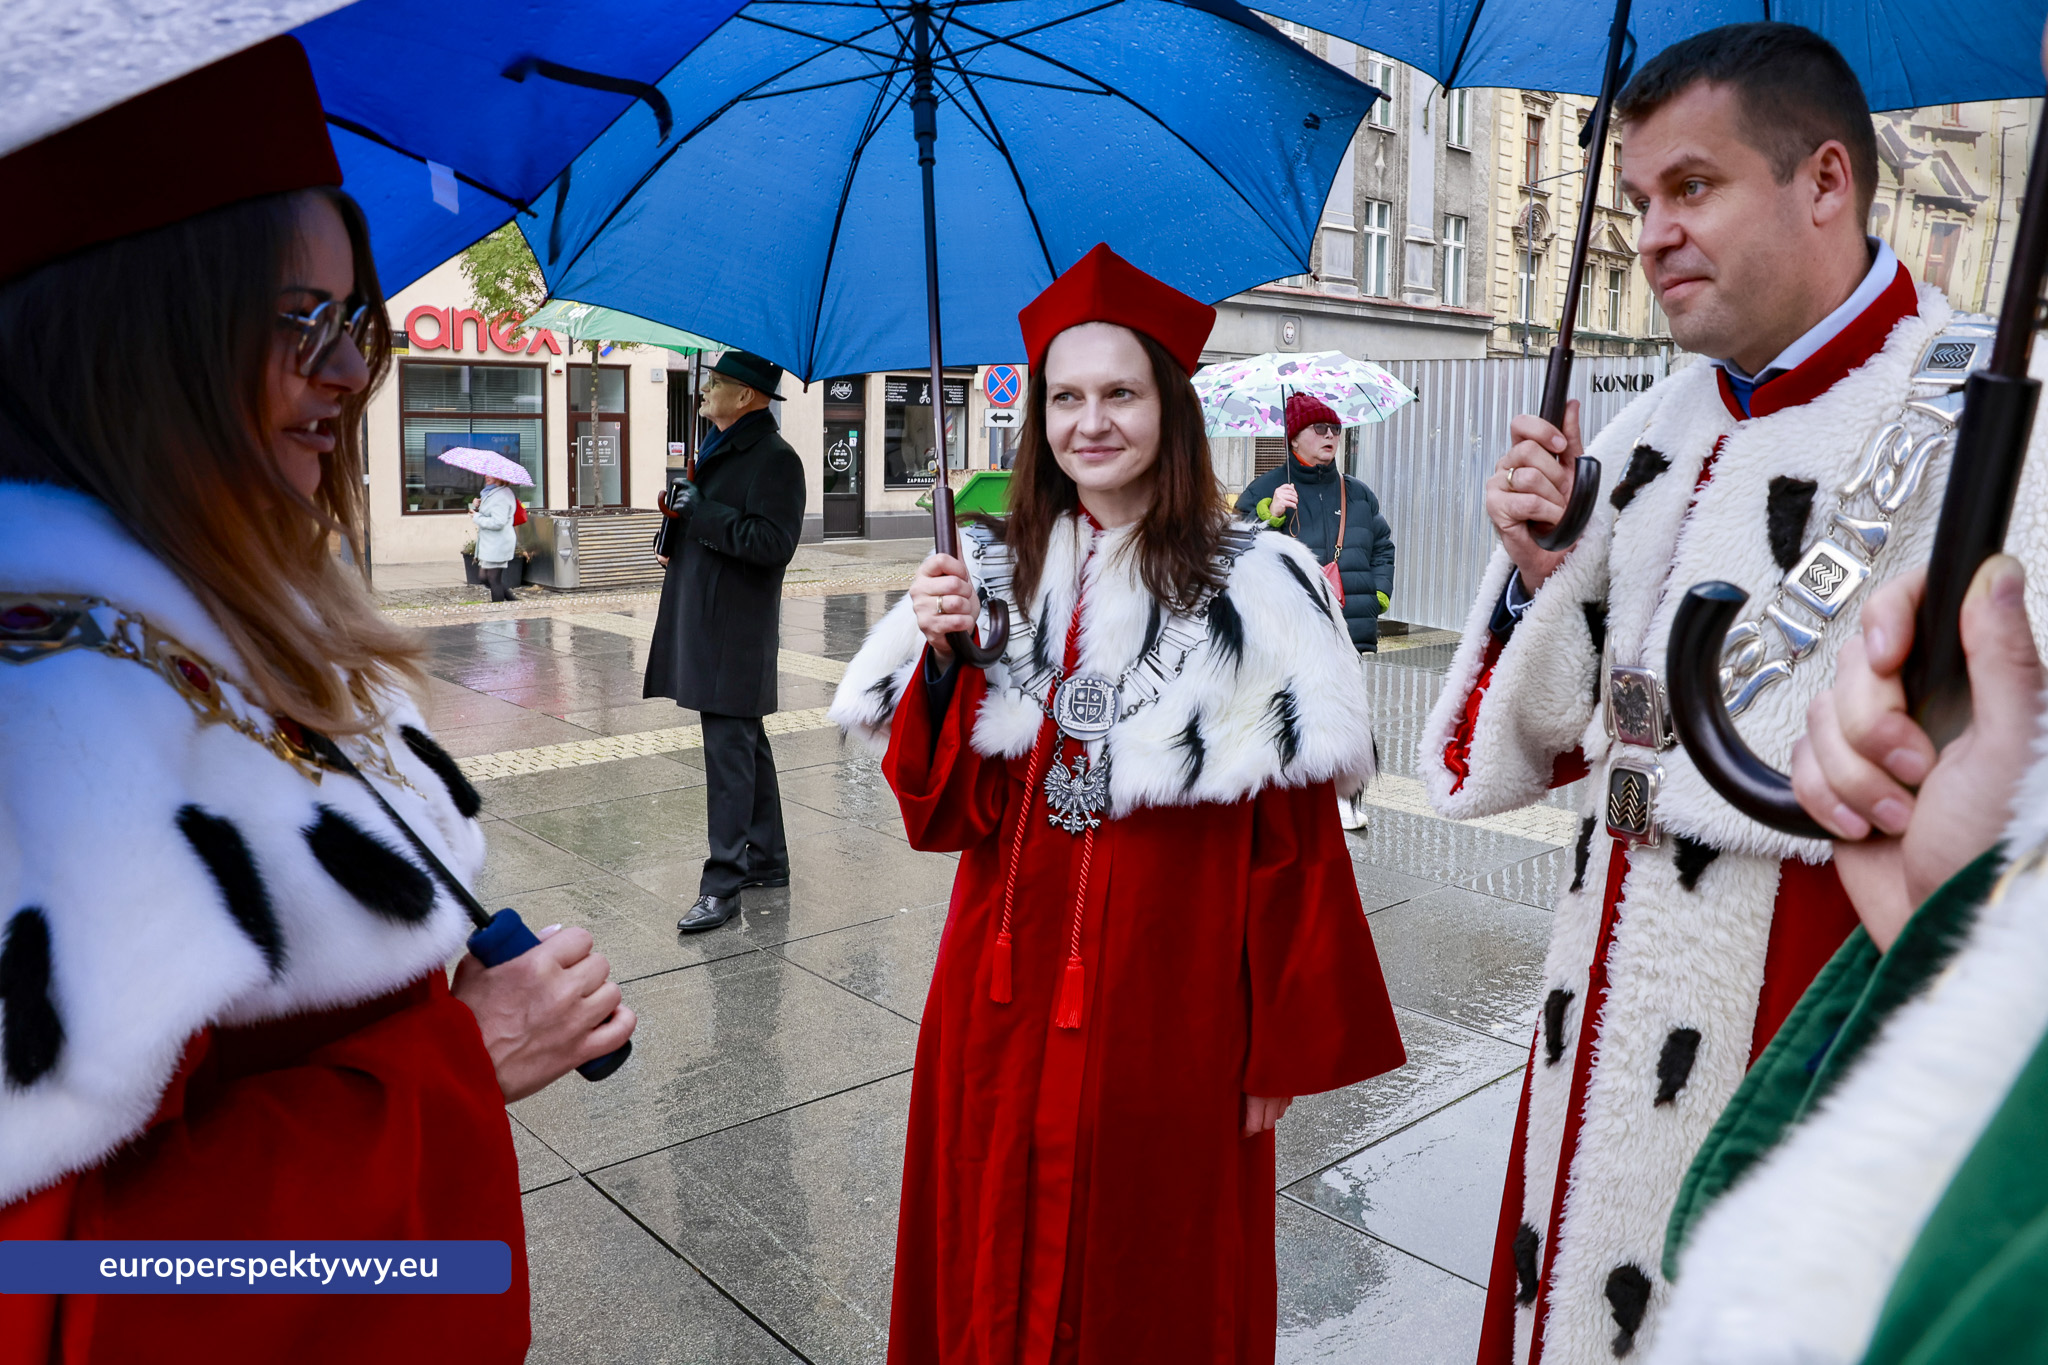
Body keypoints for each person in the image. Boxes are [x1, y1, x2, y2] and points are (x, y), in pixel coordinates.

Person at [0, 39, 636, 1363]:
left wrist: (421, 990)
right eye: (302, 321)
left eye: (360, 321)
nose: (352, 374)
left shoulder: (212, 613)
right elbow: (73, 1296)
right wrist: (454, 1064)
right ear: (139, 334)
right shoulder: (54, 720)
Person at [1416, 24, 2038, 1363]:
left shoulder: (1997, 416)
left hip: (1813, 1025)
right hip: (1593, 1041)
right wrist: (1531, 580)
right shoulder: (1649, 429)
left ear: (1825, 180)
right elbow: (1504, 755)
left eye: (1691, 187)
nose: (1650, 233)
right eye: (1638, 200)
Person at [829, 243, 1406, 1364]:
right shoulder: (991, 572)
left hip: (1173, 1007)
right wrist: (945, 661)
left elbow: (1293, 847)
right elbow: (942, 816)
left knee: (1152, 1277)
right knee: (986, 1257)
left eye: (1119, 395)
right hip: (995, 1000)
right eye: (1065, 397)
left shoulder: (1260, 581)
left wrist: (1274, 1053)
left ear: (1168, 410)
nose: (1090, 422)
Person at [1651, 552, 2048, 1365]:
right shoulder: (1640, 439)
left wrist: (1987, 907)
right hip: (1609, 978)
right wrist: (1535, 574)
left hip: (1801, 986)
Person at [644, 349, 806, 934]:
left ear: (747, 397)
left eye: (718, 384)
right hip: (708, 617)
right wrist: (676, 522)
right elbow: (708, 518)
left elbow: (772, 544)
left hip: (734, 629)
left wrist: (704, 513)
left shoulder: (776, 459)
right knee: (745, 742)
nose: (707, 391)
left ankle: (723, 884)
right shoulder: (716, 446)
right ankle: (768, 859)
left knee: (728, 751)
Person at [1235, 391, 1395, 829]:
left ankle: (1346, 798)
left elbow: (1382, 546)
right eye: (1319, 429)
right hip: (1286, 628)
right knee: (1290, 711)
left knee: (1346, 712)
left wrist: (1378, 594)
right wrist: (1270, 514)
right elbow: (1232, 547)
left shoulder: (1358, 493)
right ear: (1294, 438)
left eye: (1335, 429)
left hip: (1346, 622)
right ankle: (1287, 801)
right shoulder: (1265, 490)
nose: (1330, 436)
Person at [470, 475, 520, 602]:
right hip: (490, 543)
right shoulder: (491, 492)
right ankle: (513, 602)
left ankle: (498, 613)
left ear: (500, 476)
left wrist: (477, 517)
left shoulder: (502, 495)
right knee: (484, 577)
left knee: (493, 579)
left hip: (498, 543)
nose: (486, 476)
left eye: (491, 473)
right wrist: (479, 504)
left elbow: (498, 522)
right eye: (486, 473)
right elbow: (490, 512)